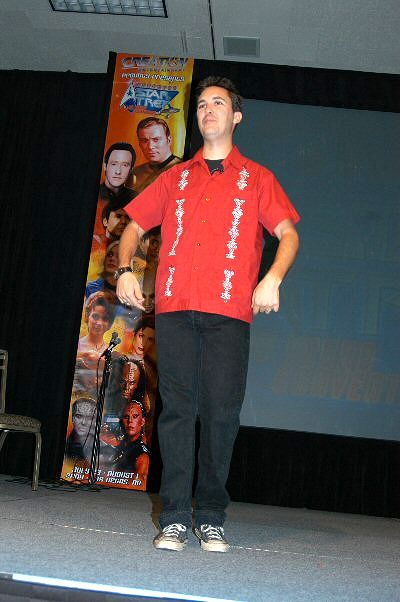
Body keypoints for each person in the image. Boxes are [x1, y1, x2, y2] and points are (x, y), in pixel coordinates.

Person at [116, 76, 300, 553]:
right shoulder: (175, 178)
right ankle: (176, 517)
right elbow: (133, 227)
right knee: (177, 412)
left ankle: (212, 516)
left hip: (228, 311)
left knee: (221, 414)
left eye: (217, 103)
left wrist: (272, 278)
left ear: (236, 116)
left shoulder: (257, 178)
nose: (207, 110)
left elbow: (289, 234)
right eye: (201, 104)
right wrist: (125, 269)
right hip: (175, 308)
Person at [133, 118, 181, 193]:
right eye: (144, 141)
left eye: (156, 140)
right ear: (139, 144)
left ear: (169, 140)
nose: (150, 146)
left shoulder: (185, 170)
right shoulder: (135, 172)